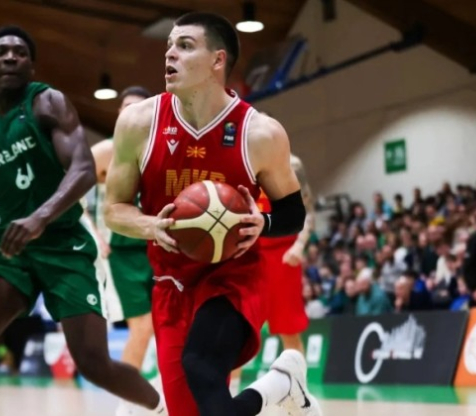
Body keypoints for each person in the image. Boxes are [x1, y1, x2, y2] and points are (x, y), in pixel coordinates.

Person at [0, 26, 166, 416]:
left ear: (32, 67)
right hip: (12, 249)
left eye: (20, 52)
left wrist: (40, 217)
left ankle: (159, 406)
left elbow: (83, 169)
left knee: (93, 363)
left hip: (65, 243)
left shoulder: (48, 103)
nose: (10, 56)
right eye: (1, 51)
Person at [104, 12, 322, 416]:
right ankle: (278, 386)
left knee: (200, 365)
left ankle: (278, 384)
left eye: (185, 46)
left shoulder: (260, 133)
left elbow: (292, 212)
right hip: (170, 282)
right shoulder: (138, 123)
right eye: (169, 45)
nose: (170, 53)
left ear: (218, 60)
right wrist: (151, 225)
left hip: (233, 276)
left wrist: (263, 223)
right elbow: (113, 210)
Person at [91, 86, 161, 416]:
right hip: (119, 250)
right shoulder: (106, 151)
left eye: (137, 107)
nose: (130, 112)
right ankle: (127, 404)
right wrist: (93, 234)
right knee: (142, 327)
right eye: (125, 107)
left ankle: (162, 394)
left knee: (165, 325)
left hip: (157, 244)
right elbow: (67, 188)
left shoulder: (161, 148)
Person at [257, 153, 315, 353]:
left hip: (282, 254)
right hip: (249, 252)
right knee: (239, 329)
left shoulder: (292, 164)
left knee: (289, 329)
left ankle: (297, 373)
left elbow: (307, 210)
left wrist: (299, 245)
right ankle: (234, 377)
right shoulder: (239, 159)